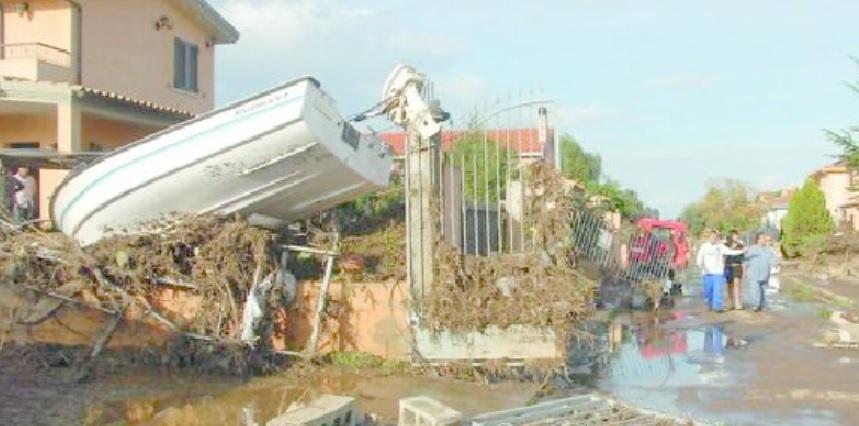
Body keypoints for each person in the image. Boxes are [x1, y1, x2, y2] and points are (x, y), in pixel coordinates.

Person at [695, 229, 743, 312]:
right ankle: (709, 303)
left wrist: (741, 251)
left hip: (718, 272)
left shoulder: (720, 246)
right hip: (707, 273)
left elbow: (729, 252)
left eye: (715, 237)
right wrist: (700, 265)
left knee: (718, 290)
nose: (713, 238)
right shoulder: (704, 246)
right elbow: (699, 257)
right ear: (709, 237)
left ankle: (717, 307)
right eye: (712, 237)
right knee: (708, 291)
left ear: (717, 238)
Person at [744, 232, 780, 312]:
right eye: (762, 238)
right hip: (753, 273)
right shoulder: (752, 249)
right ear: (758, 240)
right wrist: (744, 270)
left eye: (765, 238)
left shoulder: (768, 250)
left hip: (764, 273)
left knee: (763, 290)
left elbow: (772, 260)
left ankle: (762, 305)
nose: (764, 240)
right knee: (754, 290)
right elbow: (746, 260)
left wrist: (776, 263)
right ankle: (756, 305)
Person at [723, 230, 745, 310]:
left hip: (737, 266)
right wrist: (731, 248)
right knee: (729, 285)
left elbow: (742, 257)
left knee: (737, 285)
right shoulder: (725, 245)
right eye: (735, 235)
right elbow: (723, 256)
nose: (736, 237)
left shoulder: (740, 245)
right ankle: (729, 302)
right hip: (728, 266)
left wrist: (744, 268)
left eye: (737, 235)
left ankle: (737, 302)